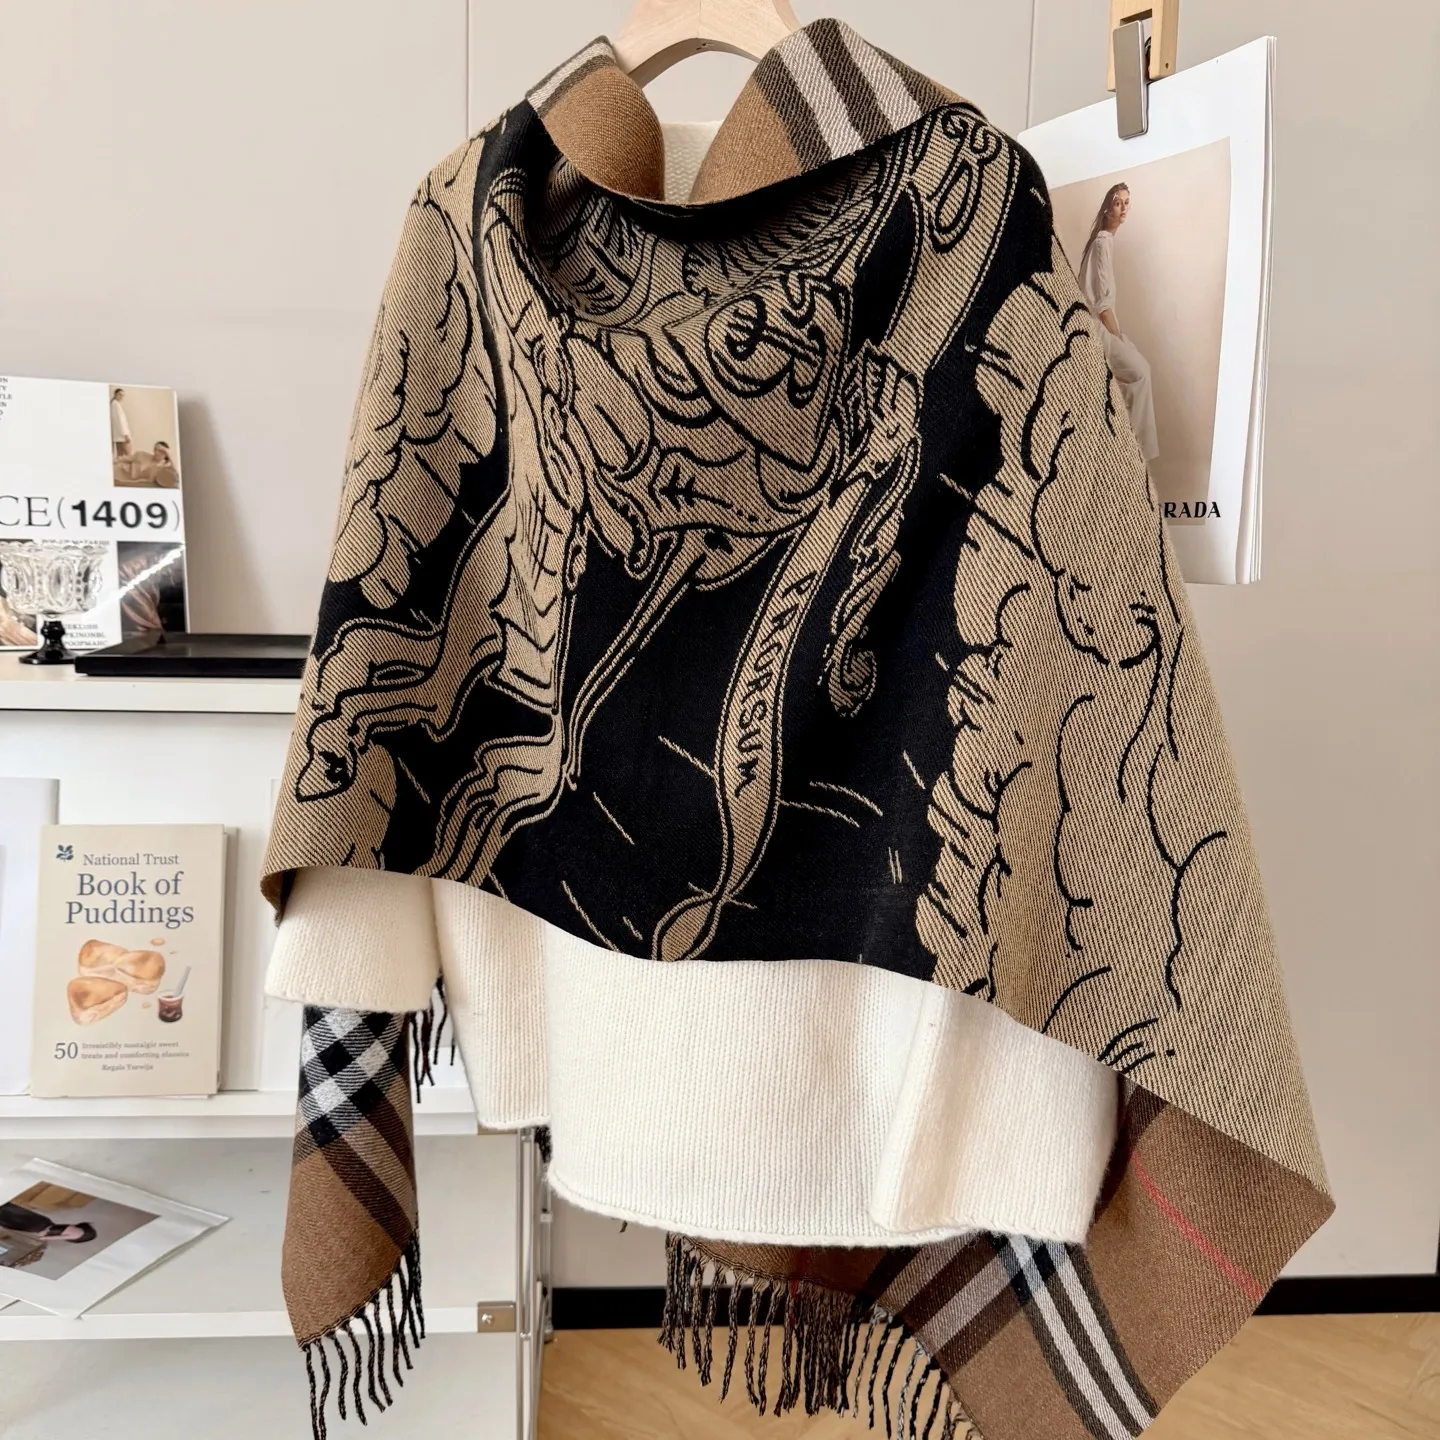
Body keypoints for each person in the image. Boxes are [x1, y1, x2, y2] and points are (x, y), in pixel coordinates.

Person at [1076, 183, 1159, 459]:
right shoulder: (1102, 243)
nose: (1123, 208)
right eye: (1117, 202)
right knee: (1141, 372)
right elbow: (1102, 306)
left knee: (1138, 372)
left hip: (1098, 326)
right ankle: (1137, 452)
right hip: (1096, 329)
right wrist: (1118, 337)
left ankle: (1127, 446)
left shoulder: (1104, 242)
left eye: (1126, 202)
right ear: (1107, 209)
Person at [0, 1201, 95, 1244]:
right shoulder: (76, 1235)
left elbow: (59, 1227)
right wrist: (44, 1236)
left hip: (44, 1222)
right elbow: (48, 1236)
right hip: (37, 1228)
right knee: (12, 1219)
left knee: (16, 1213)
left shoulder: (78, 1229)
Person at [110, 387, 132, 458]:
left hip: (118, 435)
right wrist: (125, 434)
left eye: (122, 395)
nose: (121, 397)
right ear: (115, 394)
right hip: (122, 435)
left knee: (120, 455)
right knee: (127, 456)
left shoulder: (114, 404)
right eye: (119, 394)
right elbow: (120, 420)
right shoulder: (116, 404)